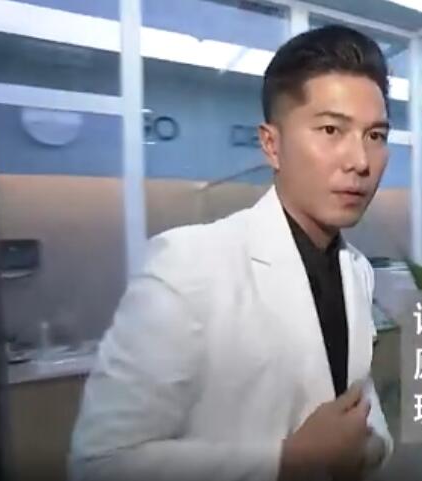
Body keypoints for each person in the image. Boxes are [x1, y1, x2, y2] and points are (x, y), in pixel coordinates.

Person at [69, 25, 393, 481]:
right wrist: (289, 460)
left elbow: (358, 401)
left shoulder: (355, 269)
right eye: (330, 129)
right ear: (271, 145)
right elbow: (99, 464)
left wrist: (372, 448)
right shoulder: (187, 266)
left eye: (375, 135)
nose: (360, 160)